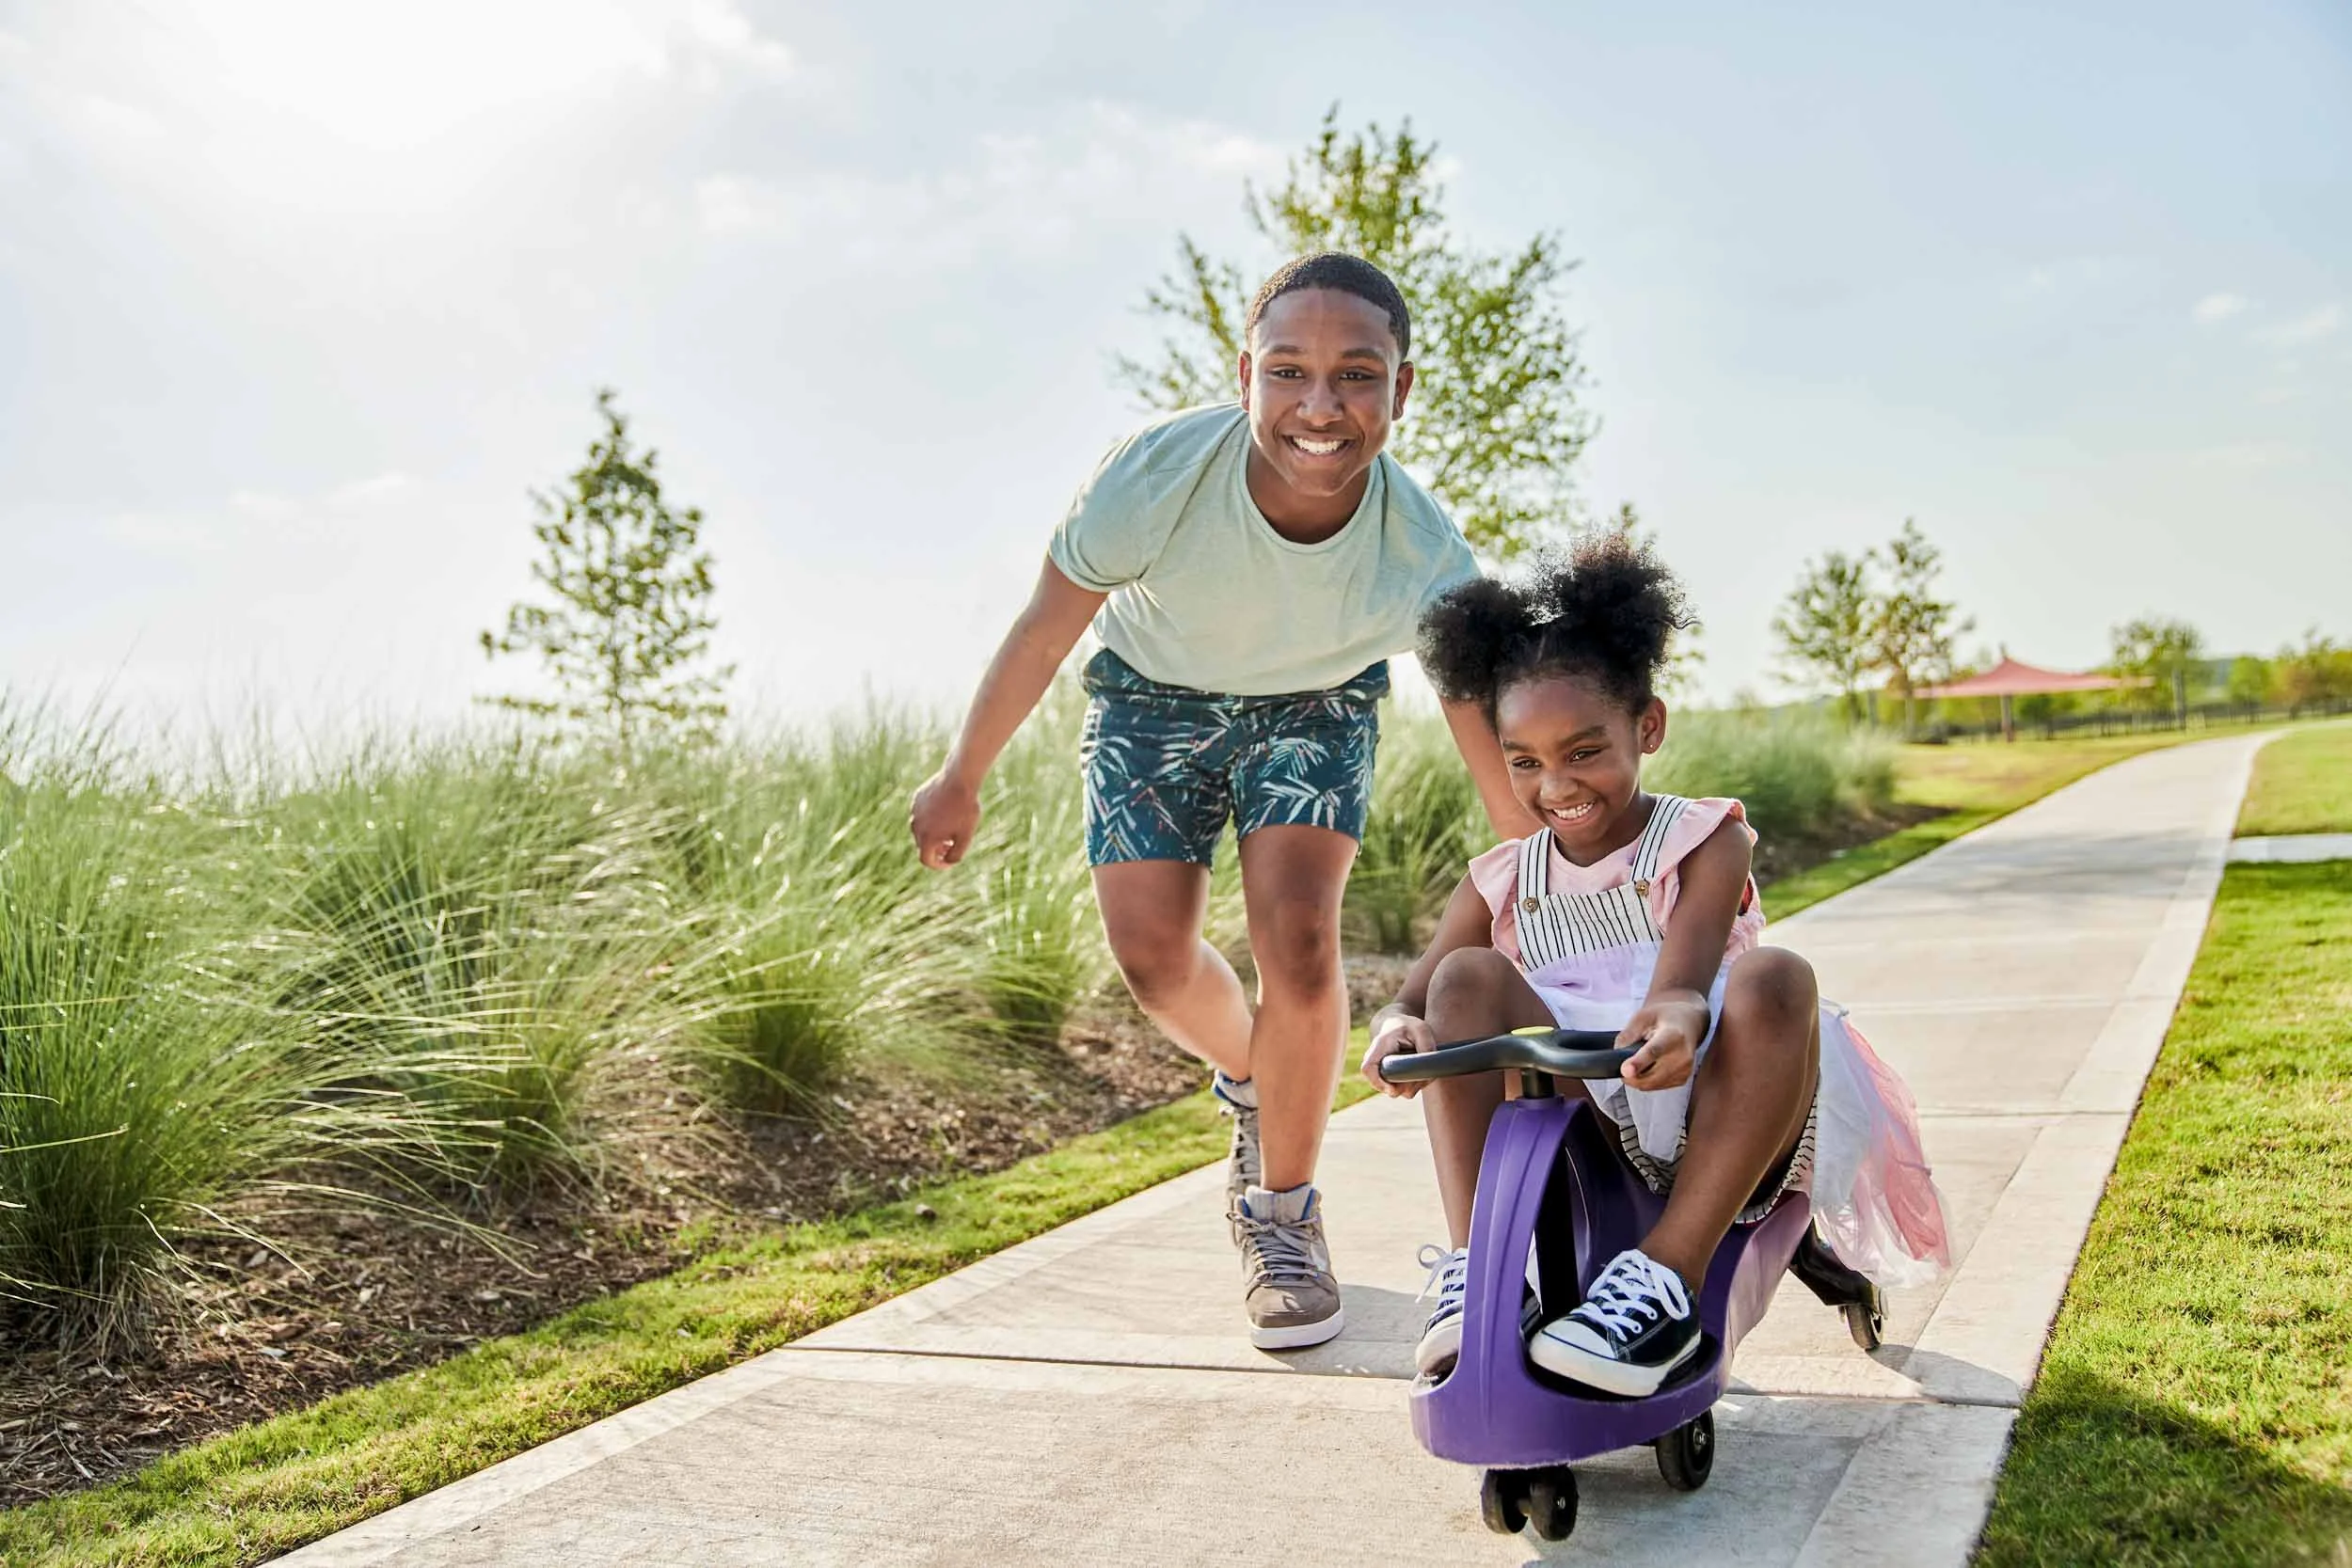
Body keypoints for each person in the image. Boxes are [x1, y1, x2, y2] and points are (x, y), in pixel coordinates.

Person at [909, 252, 1533, 1351]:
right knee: (1153, 959)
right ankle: (1253, 1072)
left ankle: (1282, 1218)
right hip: (1150, 700)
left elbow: (1488, 748)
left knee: (1298, 941)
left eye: (1357, 375)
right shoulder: (1155, 475)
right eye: (1288, 371)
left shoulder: (1424, 556)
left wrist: (1561, 877)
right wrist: (962, 772)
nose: (1320, 406)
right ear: (1245, 373)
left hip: (1315, 708)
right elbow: (1046, 629)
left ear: (1401, 388)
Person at [1361, 533, 1950, 1393]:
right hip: (1595, 1117)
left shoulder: (1703, 839)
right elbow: (1414, 994)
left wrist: (1677, 1010)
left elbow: (1685, 975)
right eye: (1524, 761)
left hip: (1729, 1093)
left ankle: (1667, 1274)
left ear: (1649, 726)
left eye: (1585, 750)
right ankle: (1477, 1270)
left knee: (1776, 973)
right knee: (1463, 979)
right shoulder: (1503, 879)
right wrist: (1397, 1025)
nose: (1555, 784)